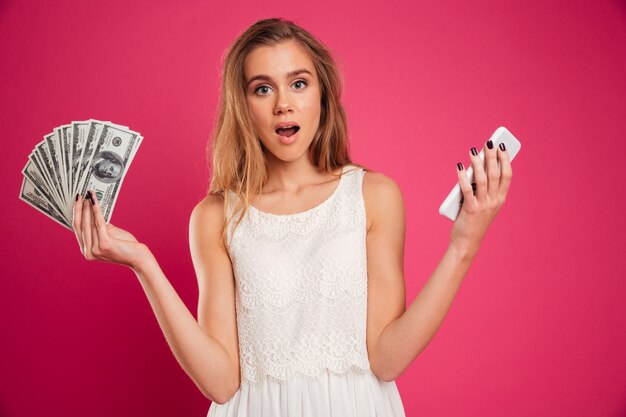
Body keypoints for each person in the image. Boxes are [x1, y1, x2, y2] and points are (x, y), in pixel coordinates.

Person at [72, 17, 512, 417]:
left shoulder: (373, 196)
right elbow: (221, 384)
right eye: (262, 88)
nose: (283, 104)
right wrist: (143, 264)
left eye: (298, 83)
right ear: (243, 105)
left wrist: (463, 244)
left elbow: (388, 358)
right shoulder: (216, 216)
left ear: (322, 92)